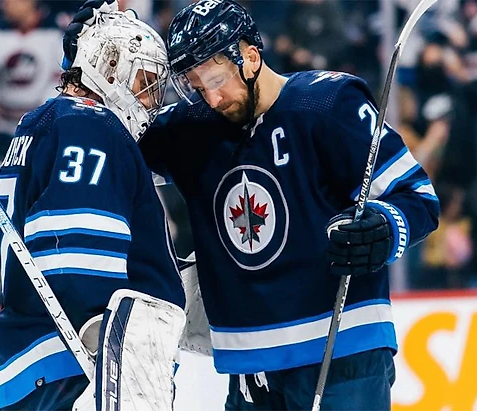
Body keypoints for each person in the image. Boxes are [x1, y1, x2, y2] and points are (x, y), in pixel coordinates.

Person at [69, 0, 440, 409]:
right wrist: (83, 66)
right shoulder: (191, 130)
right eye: (197, 87)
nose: (211, 98)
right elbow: (107, 142)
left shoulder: (330, 104)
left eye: (216, 80)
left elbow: (417, 197)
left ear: (249, 56)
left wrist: (383, 228)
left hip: (343, 350)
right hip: (251, 368)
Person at [0, 11, 185, 411]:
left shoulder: (42, 121)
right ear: (109, 67)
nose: (149, 101)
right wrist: (102, 334)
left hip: (32, 363)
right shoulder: (90, 124)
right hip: (80, 368)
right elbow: (76, 257)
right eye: (143, 83)